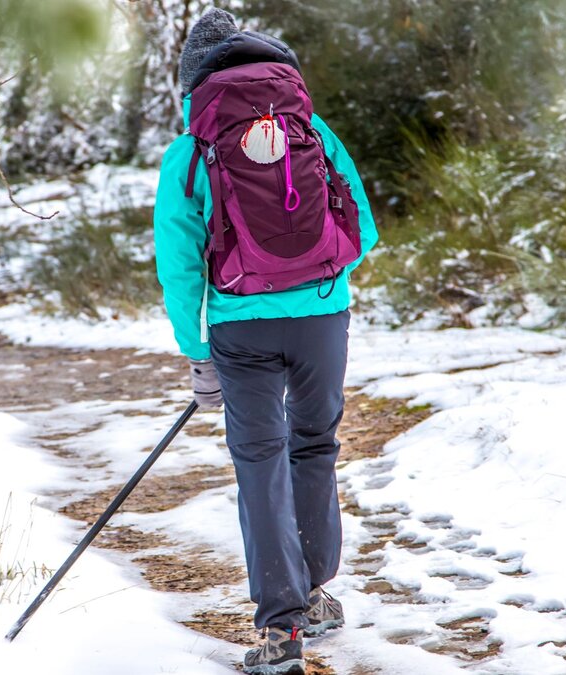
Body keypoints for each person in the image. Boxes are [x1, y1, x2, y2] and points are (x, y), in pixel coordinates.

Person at [153, 7, 379, 675]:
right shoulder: (311, 128)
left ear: (195, 79)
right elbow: (361, 229)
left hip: (238, 327)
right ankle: (313, 595)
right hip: (321, 315)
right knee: (315, 444)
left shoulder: (190, 150)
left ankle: (281, 632)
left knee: (260, 460)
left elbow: (180, 262)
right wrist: (312, 278)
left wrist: (196, 351)